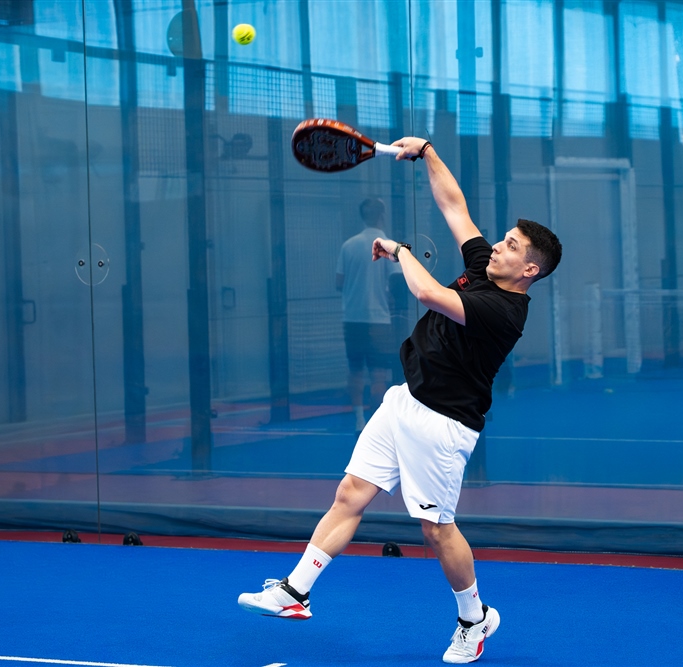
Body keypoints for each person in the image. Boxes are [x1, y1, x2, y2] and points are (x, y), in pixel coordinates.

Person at [238, 137, 562, 664]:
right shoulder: (485, 265)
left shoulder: (505, 311)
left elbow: (430, 294)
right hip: (404, 401)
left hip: (444, 424)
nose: (498, 247)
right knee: (350, 493)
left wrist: (400, 250)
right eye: (503, 240)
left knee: (436, 529)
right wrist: (428, 153)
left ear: (529, 270)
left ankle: (474, 620)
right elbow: (455, 207)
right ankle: (295, 592)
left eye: (510, 246)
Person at [337, 197, 400, 434]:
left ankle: (359, 419)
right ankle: (377, 425)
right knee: (378, 373)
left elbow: (339, 282)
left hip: (352, 319)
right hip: (379, 320)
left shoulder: (348, 246)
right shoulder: (389, 247)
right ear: (382, 216)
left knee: (355, 370)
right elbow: (396, 281)